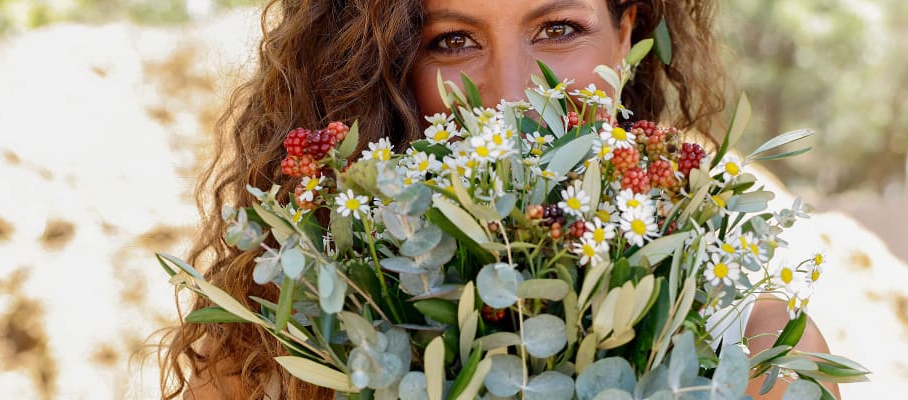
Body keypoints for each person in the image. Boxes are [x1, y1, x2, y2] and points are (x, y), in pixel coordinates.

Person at [158, 0, 841, 399]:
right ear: (389, 68)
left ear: (627, 33)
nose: (512, 94)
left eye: (559, 29)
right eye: (452, 42)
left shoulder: (761, 357)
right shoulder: (283, 345)